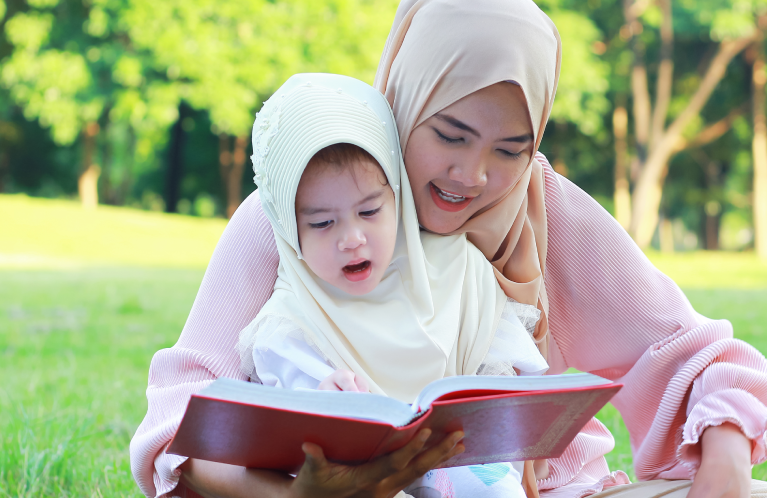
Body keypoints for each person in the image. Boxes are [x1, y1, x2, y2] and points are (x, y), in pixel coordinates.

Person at [131, 1, 767, 497]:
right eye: (452, 135)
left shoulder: (536, 202)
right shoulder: (300, 212)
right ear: (404, 99)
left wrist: (727, 472)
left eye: (509, 148)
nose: (474, 176)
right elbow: (181, 424)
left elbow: (693, 355)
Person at [234, 73, 549, 498]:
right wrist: (322, 407)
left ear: (396, 197)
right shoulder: (292, 322)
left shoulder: (456, 270)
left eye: (369, 212)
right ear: (291, 232)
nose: (351, 238)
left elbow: (507, 389)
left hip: (457, 463)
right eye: (323, 223)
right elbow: (293, 441)